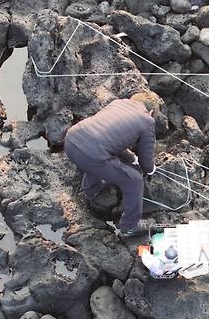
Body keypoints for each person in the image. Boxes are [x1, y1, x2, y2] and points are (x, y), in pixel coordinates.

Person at [64, 92, 159, 236]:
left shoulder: (117, 103)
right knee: (134, 180)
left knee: (96, 158)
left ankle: (91, 191)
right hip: (92, 154)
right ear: (151, 112)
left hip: (71, 140)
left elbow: (111, 138)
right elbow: (146, 160)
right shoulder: (147, 120)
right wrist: (150, 170)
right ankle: (129, 226)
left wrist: (131, 158)